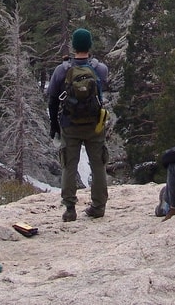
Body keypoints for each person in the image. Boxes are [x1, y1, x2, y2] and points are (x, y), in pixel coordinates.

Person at [47, 27, 109, 221]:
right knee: (98, 164)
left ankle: (70, 209)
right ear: (89, 45)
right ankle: (98, 206)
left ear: (74, 46)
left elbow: (52, 100)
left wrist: (54, 125)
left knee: (69, 165)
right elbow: (102, 91)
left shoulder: (62, 70)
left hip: (70, 125)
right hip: (94, 125)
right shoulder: (100, 69)